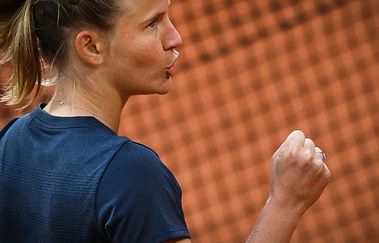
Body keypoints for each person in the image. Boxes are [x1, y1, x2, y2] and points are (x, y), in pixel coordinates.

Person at [0, 0, 332, 242]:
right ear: (92, 46)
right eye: (152, 23)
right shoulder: (128, 174)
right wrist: (285, 203)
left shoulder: (10, 143)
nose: (174, 38)